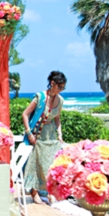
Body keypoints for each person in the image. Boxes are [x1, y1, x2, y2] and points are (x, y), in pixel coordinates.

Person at [22, 71, 67, 204]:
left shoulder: (60, 100)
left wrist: (60, 134)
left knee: (50, 164)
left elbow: (57, 119)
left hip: (50, 134)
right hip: (37, 133)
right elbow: (25, 114)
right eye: (59, 87)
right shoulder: (40, 97)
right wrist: (29, 133)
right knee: (35, 162)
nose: (60, 90)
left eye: (63, 88)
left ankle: (49, 191)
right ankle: (34, 191)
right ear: (52, 84)